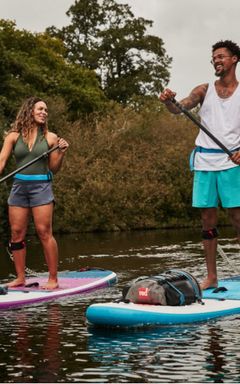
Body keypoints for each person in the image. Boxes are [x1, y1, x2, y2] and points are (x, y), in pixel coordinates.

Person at [159, 40, 240, 290]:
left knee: (238, 218)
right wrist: (168, 101)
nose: (216, 60)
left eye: (221, 56)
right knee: (207, 221)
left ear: (234, 59)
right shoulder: (204, 90)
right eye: (213, 57)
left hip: (231, 163)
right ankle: (211, 276)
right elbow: (179, 108)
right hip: (205, 161)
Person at [0, 96, 69, 289]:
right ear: (30, 110)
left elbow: (54, 168)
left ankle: (53, 279)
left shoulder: (51, 138)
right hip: (19, 188)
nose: (44, 112)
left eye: (46, 110)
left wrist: (61, 152)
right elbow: (1, 161)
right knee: (16, 233)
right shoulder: (13, 136)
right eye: (40, 109)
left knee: (44, 232)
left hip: (41, 187)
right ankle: (20, 278)